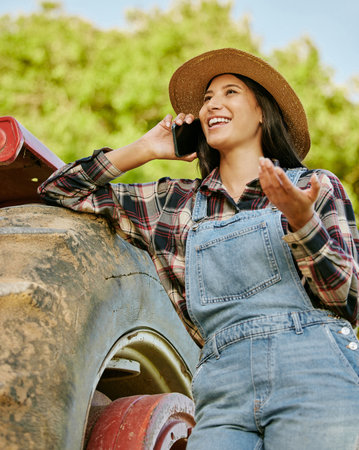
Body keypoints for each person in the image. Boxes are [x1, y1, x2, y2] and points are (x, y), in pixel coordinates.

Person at [39, 48, 359, 449]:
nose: (213, 105)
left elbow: (346, 300)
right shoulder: (174, 204)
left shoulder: (314, 187)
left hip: (315, 374)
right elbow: (56, 190)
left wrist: (304, 223)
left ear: (263, 112)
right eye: (207, 98)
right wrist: (145, 149)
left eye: (230, 92)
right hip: (221, 390)